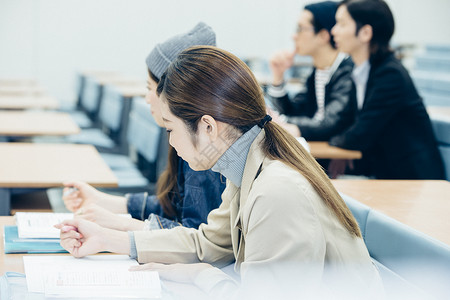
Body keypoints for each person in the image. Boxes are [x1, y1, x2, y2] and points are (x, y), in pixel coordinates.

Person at [57, 46, 382, 299]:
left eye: (170, 129)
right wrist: (109, 239)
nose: (171, 143)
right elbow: (209, 243)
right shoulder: (247, 163)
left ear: (208, 127)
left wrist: (201, 276)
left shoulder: (275, 190)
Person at [63, 22, 225, 231]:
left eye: (150, 88)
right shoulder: (192, 137)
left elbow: (196, 237)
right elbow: (176, 207)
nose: (147, 98)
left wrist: (120, 224)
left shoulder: (206, 149)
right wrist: (101, 201)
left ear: (174, 94)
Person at [329, 0, 445, 179]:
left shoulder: (390, 74)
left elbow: (360, 134)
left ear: (365, 32)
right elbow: (345, 122)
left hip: (416, 179)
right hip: (388, 174)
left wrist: (337, 143)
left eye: (342, 24)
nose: (334, 30)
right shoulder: (358, 69)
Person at [268, 1, 356, 141]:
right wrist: (278, 76)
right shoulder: (317, 72)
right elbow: (294, 112)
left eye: (300, 29)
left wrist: (283, 124)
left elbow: (330, 123)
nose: (294, 36)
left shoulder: (348, 70)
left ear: (323, 35)